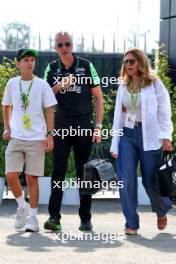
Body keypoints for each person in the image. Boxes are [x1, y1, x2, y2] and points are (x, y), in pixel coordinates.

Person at [44, 31, 103, 232]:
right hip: (60, 125)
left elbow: (99, 97)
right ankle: (54, 217)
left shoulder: (86, 66)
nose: (64, 47)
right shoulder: (51, 69)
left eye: (67, 43)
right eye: (60, 44)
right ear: (55, 48)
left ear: (72, 45)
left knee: (83, 172)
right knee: (58, 171)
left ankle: (85, 219)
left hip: (83, 125)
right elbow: (46, 98)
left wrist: (98, 126)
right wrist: (60, 85)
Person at [110, 48, 173, 235]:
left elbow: (164, 110)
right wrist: (115, 142)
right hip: (127, 135)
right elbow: (118, 117)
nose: (127, 65)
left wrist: (166, 136)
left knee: (149, 179)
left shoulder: (154, 84)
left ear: (140, 62)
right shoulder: (123, 86)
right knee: (126, 179)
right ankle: (131, 223)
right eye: (125, 62)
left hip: (150, 136)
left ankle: (161, 210)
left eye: (131, 61)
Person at [2, 48, 57, 232]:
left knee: (32, 178)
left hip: (36, 138)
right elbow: (6, 106)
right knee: (11, 174)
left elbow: (50, 110)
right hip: (16, 137)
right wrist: (7, 128)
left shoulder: (42, 85)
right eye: (26, 60)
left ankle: (33, 219)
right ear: (18, 64)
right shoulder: (12, 84)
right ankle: (21, 206)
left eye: (32, 59)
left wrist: (50, 135)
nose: (30, 62)